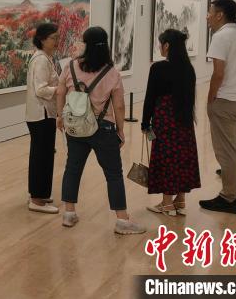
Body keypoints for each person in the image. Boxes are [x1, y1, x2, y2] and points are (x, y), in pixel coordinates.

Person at [56, 27, 146, 234]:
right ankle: (122, 220)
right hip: (103, 129)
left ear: (85, 44)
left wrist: (60, 116)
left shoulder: (70, 66)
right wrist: (120, 130)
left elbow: (60, 92)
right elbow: (119, 105)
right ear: (106, 45)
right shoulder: (111, 73)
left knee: (73, 168)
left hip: (76, 127)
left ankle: (69, 213)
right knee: (113, 174)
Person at [200, 0, 236, 214]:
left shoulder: (221, 37)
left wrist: (210, 98)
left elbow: (218, 73)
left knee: (227, 151)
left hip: (226, 101)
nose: (207, 16)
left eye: (209, 12)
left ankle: (228, 197)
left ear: (219, 15)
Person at [142, 30, 200, 216]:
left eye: (161, 44)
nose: (160, 47)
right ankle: (180, 201)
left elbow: (150, 98)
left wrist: (145, 122)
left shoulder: (159, 68)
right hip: (184, 120)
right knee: (183, 157)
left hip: (164, 120)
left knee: (166, 157)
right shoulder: (188, 69)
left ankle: (167, 204)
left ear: (166, 45)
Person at [25, 23, 60, 214]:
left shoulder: (45, 58)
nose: (56, 41)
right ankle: (37, 199)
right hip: (41, 114)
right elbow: (41, 89)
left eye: (57, 37)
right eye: (53, 38)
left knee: (44, 156)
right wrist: (60, 89)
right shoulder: (41, 60)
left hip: (43, 114)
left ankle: (41, 194)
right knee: (41, 157)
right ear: (42, 39)